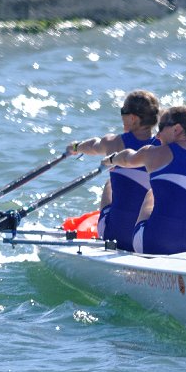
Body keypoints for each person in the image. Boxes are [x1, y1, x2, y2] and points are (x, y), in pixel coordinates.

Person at [103, 105, 186, 256]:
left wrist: (111, 159)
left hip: (157, 244)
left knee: (151, 193)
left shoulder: (151, 153)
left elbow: (127, 158)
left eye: (161, 128)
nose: (158, 135)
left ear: (176, 129)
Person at [67, 90, 160, 251]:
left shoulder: (113, 143)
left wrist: (75, 147)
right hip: (148, 238)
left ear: (133, 118)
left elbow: (93, 145)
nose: (121, 117)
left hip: (115, 234)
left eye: (123, 112)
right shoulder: (164, 149)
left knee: (110, 183)